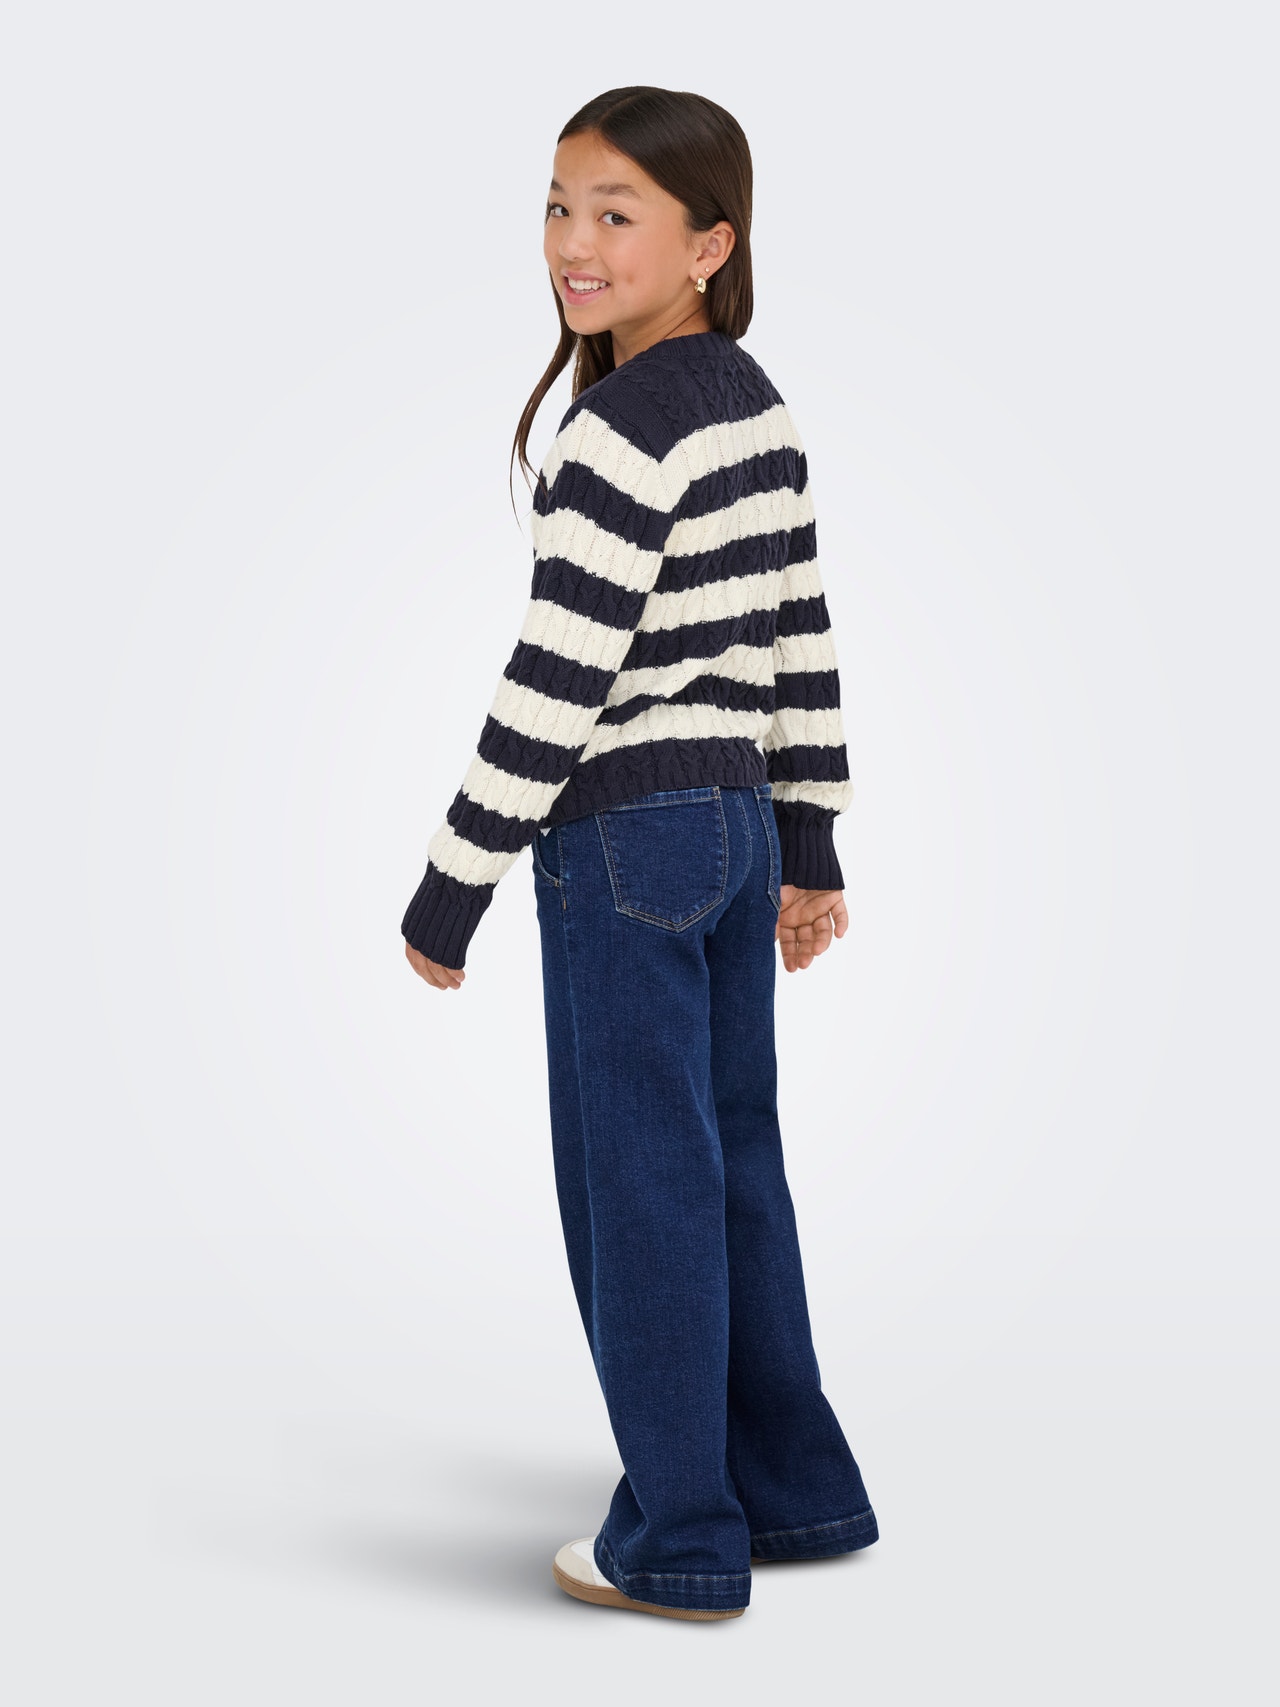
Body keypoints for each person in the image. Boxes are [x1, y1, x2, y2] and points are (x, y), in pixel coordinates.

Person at [401, 86, 878, 1622]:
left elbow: (557, 680)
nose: (575, 244)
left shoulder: (616, 431)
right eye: (559, 206)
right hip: (730, 828)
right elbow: (799, 647)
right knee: (733, 1163)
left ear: (709, 244)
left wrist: (453, 884)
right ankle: (789, 1488)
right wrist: (806, 842)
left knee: (642, 1187)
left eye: (618, 214)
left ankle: (680, 1536)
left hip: (622, 842)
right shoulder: (757, 407)